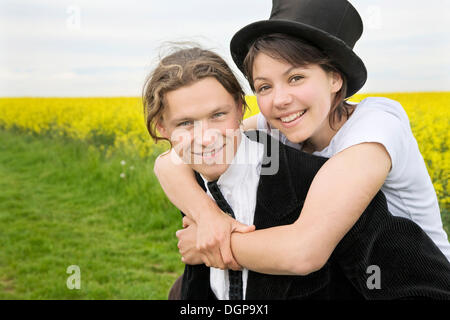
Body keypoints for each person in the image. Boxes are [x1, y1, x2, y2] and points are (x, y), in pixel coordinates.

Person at [153, 0, 450, 275]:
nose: (280, 99)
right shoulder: (279, 125)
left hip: (415, 280)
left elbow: (303, 252)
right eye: (265, 86)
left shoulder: (375, 128)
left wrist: (206, 244)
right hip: (350, 278)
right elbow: (169, 160)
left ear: (334, 78)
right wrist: (208, 218)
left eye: (296, 78)